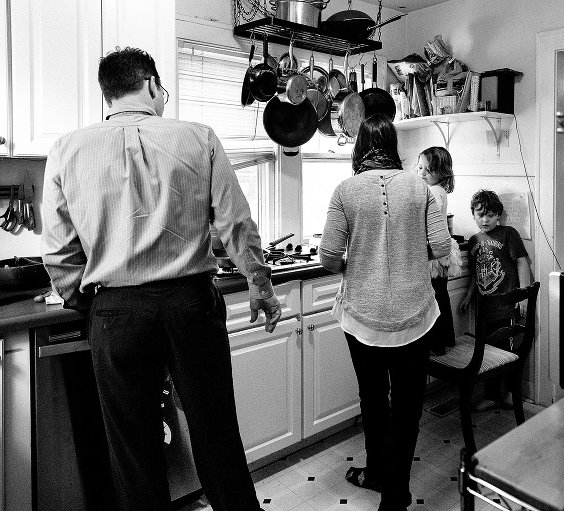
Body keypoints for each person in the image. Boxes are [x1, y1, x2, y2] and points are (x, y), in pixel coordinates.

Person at [41, 46, 279, 511]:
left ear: (107, 94)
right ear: (151, 84)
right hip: (191, 304)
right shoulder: (199, 137)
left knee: (134, 454)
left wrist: (89, 307)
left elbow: (59, 251)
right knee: (217, 439)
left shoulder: (66, 149)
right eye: (162, 91)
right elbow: (235, 223)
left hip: (116, 311)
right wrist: (259, 285)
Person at [320, 114, 451, 511]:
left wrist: (355, 268)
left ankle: (376, 470)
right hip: (416, 313)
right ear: (393, 145)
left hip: (362, 316)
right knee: (409, 405)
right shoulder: (421, 188)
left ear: (360, 146)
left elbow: (327, 255)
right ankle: (395, 494)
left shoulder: (345, 190)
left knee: (373, 399)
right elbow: (442, 249)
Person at [459, 189, 532, 410]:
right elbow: (475, 274)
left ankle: (508, 393)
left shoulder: (509, 234)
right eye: (480, 214)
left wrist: (524, 296)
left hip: (507, 308)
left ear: (498, 214)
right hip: (485, 309)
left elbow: (522, 262)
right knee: (488, 351)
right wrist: (467, 296)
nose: (485, 219)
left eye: (490, 214)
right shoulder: (473, 241)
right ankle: (492, 394)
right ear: (473, 215)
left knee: (508, 351)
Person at [415, 146, 462, 355]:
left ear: (442, 172)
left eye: (428, 169)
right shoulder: (438, 190)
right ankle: (445, 340)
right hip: (441, 249)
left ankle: (436, 344)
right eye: (420, 168)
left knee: (434, 300)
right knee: (440, 296)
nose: (422, 173)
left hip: (432, 251)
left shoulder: (433, 192)